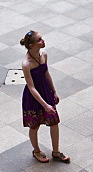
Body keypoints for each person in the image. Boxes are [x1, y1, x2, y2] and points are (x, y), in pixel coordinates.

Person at [20, 30, 69, 163]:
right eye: (39, 40)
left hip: (45, 92)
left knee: (54, 122)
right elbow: (31, 87)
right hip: (33, 97)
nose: (43, 41)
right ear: (31, 45)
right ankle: (36, 151)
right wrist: (45, 105)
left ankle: (56, 152)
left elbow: (46, 74)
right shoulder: (26, 63)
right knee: (34, 125)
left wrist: (54, 91)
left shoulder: (44, 54)